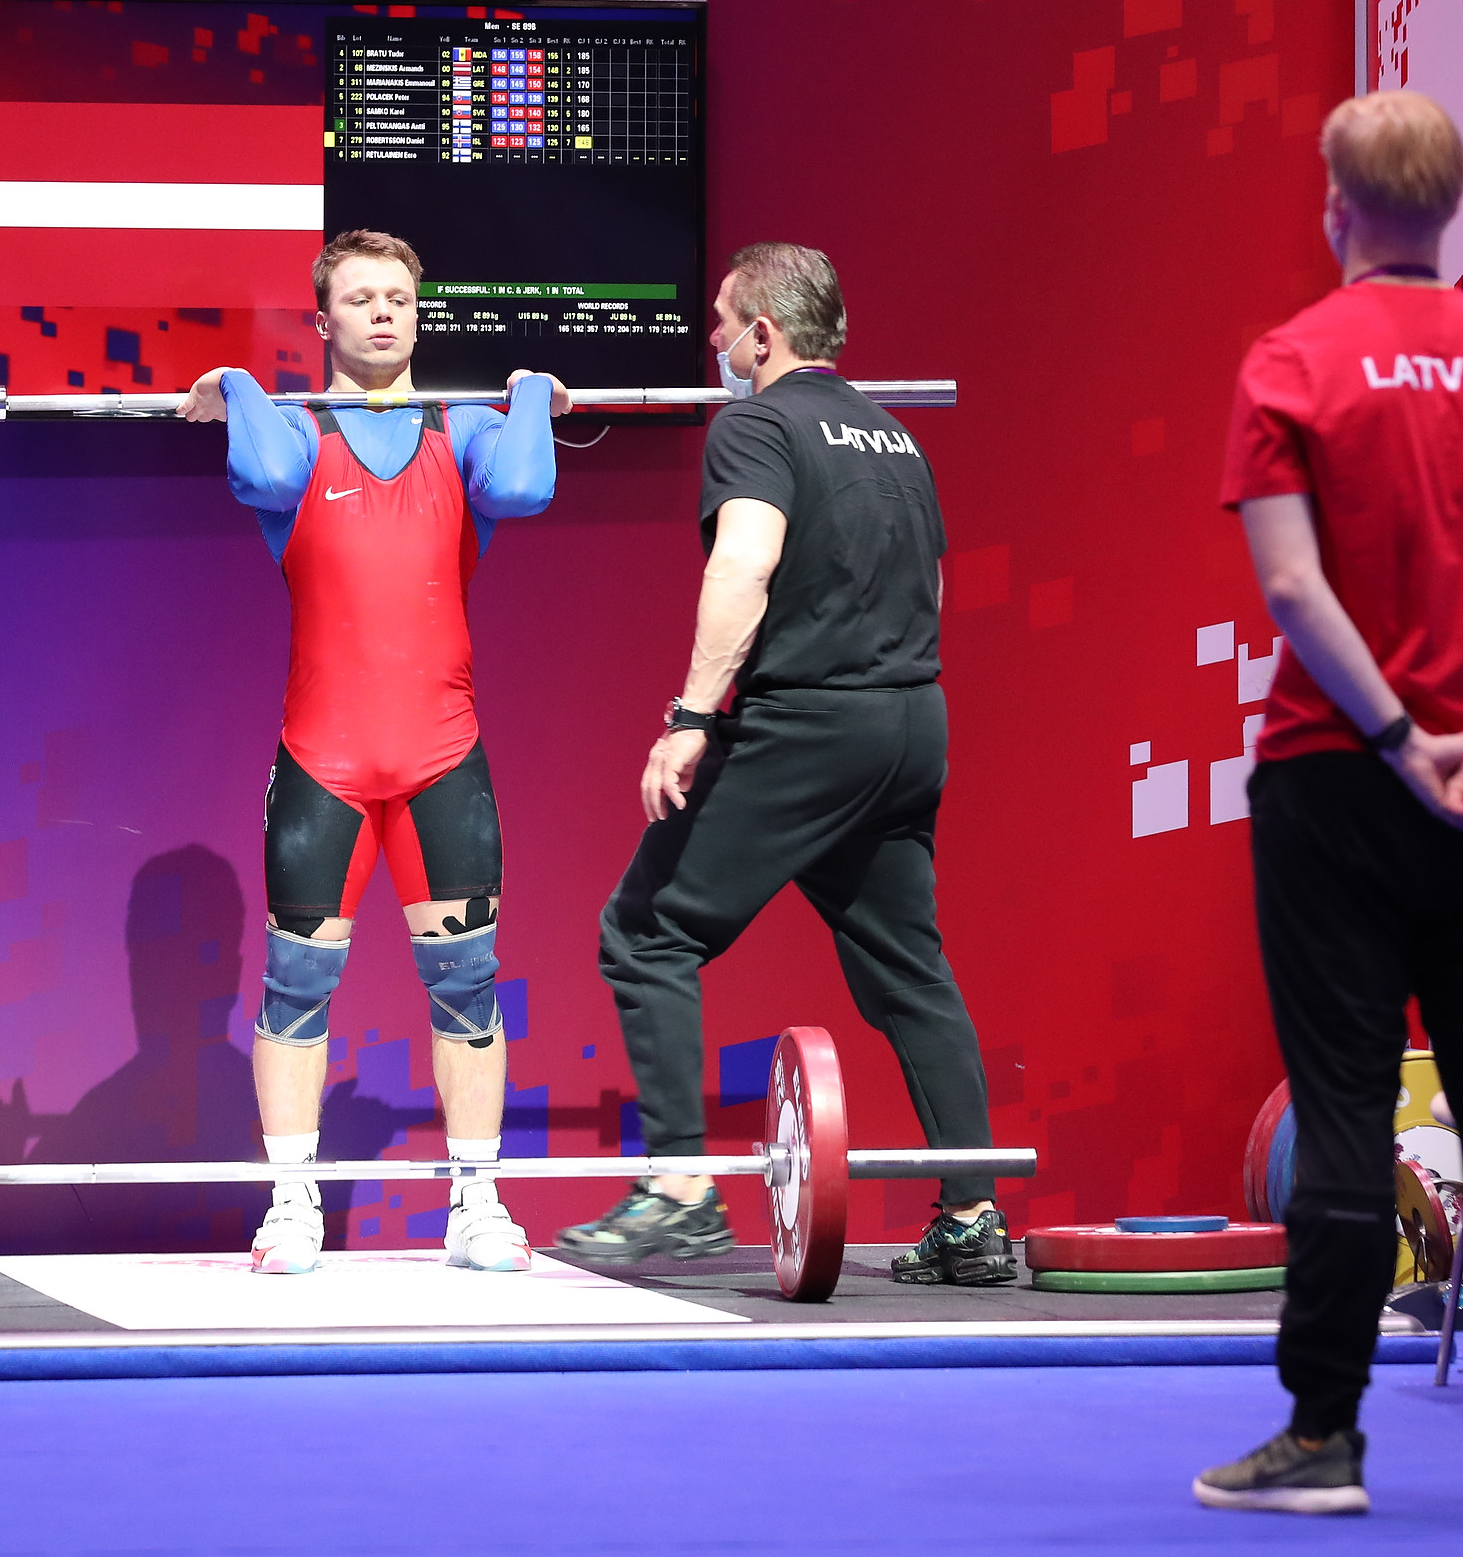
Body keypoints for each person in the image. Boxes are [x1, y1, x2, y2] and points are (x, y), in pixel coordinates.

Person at [1195, 92, 1463, 1514]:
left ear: (1338, 205)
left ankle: (1322, 1437)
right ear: (1448, 204)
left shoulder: (1291, 365)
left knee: (1344, 1100)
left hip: (1336, 777)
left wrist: (1397, 739)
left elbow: (1291, 586)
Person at [559, 243, 1011, 1286]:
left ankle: (680, 1189)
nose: (714, 341)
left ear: (763, 334)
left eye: (723, 322)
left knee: (646, 931)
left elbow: (744, 563)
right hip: (912, 722)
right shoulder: (896, 438)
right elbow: (931, 588)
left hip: (811, 724)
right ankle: (973, 1216)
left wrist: (690, 715)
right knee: (909, 969)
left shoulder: (755, 425)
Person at [180, 228, 565, 1275]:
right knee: (295, 986)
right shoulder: (296, 432)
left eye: (399, 296)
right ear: (324, 320)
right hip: (326, 766)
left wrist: (531, 392)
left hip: (443, 760)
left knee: (468, 985)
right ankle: (290, 1202)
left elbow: (525, 488)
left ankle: (476, 1203)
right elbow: (260, 470)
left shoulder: (467, 427)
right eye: (360, 298)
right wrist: (238, 384)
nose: (384, 312)